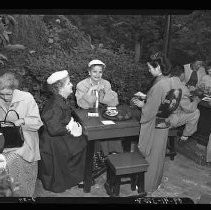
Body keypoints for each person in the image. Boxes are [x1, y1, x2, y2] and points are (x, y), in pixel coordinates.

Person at [132, 55, 176, 193]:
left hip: (156, 125)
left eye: (150, 68)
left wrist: (141, 104)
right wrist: (147, 97)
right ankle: (155, 182)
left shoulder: (159, 84)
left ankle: (148, 185)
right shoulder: (168, 80)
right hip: (164, 124)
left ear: (158, 67)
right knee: (159, 154)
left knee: (151, 154)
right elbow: (163, 100)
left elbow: (150, 110)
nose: (149, 70)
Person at [38, 70, 87, 193]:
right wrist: (70, 129)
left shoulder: (59, 99)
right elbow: (54, 128)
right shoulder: (55, 104)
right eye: (68, 83)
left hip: (57, 137)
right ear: (60, 88)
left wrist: (70, 124)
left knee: (82, 140)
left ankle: (78, 175)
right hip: (53, 142)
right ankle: (77, 176)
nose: (72, 85)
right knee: (82, 143)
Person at [0, 71, 43, 197]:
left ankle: (23, 194)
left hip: (25, 139)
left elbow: (37, 122)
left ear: (15, 89)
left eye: (9, 94)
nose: (6, 98)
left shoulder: (26, 98)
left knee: (9, 162)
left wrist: (22, 121)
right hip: (4, 140)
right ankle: (6, 193)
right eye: (2, 95)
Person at [75, 59, 123, 157]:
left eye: (100, 72)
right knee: (93, 133)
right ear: (89, 72)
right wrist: (90, 90)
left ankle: (114, 156)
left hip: (103, 114)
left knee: (111, 129)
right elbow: (83, 105)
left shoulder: (106, 83)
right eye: (94, 71)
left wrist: (103, 93)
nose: (98, 74)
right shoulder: (81, 85)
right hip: (86, 116)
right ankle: (95, 158)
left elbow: (114, 102)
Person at [168, 65, 201, 141]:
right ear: (182, 74)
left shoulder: (164, 81)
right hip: (167, 121)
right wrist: (196, 101)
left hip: (156, 116)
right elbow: (189, 109)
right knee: (196, 112)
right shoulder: (182, 88)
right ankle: (185, 136)